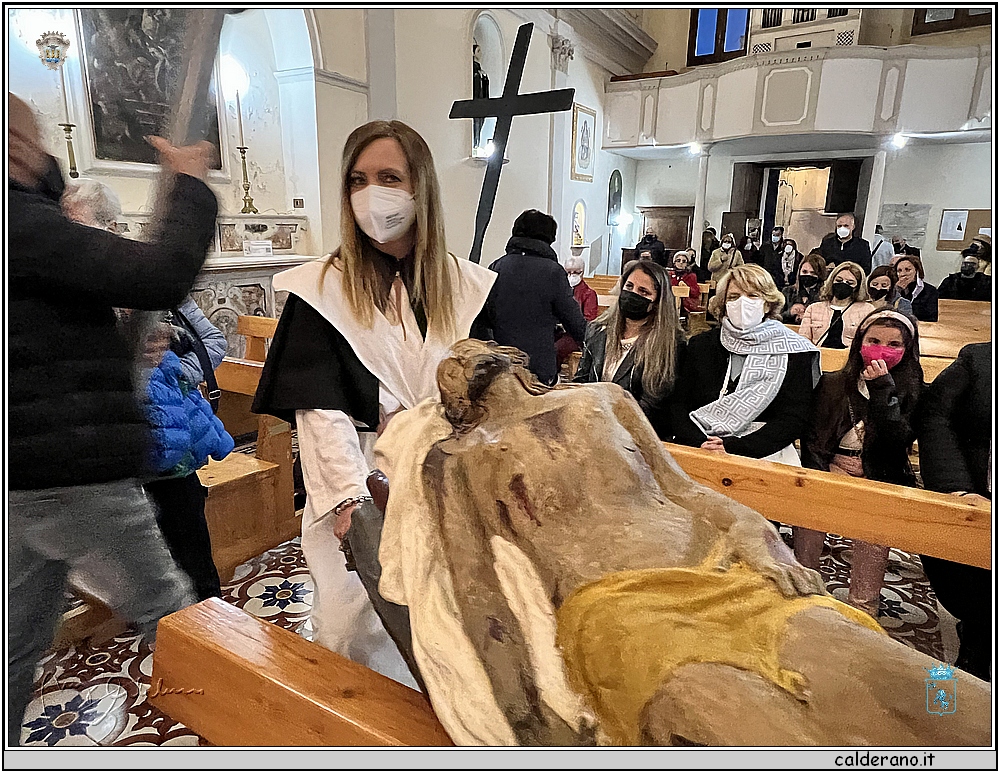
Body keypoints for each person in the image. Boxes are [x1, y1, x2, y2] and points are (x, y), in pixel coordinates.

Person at [367, 337, 989, 746]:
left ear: (511, 357)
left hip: (725, 574)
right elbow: (479, 592)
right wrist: (528, 718)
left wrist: (755, 535)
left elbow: (686, 491)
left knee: (923, 688)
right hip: (623, 616)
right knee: (763, 735)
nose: (456, 360)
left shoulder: (603, 400)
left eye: (468, 349)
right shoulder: (456, 458)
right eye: (446, 368)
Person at [251, 120, 496, 688]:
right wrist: (349, 502)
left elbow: (488, 396)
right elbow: (320, 413)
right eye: (357, 180)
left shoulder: (465, 286)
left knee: (445, 625)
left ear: (420, 188)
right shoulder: (322, 290)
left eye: (389, 178)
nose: (372, 194)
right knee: (354, 627)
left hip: (446, 482)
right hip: (363, 477)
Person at [8, 93, 216, 743]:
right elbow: (162, 275)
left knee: (16, 645)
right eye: (29, 138)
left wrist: (123, 349)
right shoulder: (20, 222)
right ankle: (232, 734)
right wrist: (189, 185)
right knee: (175, 618)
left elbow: (40, 340)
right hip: (73, 469)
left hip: (21, 475)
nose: (39, 151)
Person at [61, 178, 231, 601]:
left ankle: (208, 631)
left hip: (170, 455)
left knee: (193, 562)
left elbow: (214, 342)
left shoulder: (148, 280)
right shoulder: (63, 290)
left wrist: (176, 372)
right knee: (142, 581)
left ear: (112, 228)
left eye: (81, 227)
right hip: (109, 456)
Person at [796, 309, 923, 618]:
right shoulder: (833, 383)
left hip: (878, 472)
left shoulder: (913, 391)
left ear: (906, 349)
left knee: (873, 533)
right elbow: (813, 436)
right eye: (874, 341)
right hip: (833, 465)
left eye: (894, 344)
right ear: (860, 342)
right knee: (808, 519)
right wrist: (822, 475)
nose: (882, 349)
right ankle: (801, 592)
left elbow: (896, 442)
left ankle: (863, 608)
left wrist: (882, 389)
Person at [672, 264, 820, 465]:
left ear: (767, 304)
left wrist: (735, 447)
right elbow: (679, 404)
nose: (742, 303)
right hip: (699, 445)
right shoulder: (701, 345)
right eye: (733, 297)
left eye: (752, 296)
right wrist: (700, 443)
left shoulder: (793, 351)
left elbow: (793, 419)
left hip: (765, 452)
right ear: (723, 304)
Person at [917, 342, 991, 681]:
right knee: (971, 583)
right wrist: (956, 487)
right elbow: (935, 415)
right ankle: (977, 641)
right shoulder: (978, 360)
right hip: (972, 490)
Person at [573, 259, 683, 439]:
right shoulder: (597, 330)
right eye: (629, 287)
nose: (633, 294)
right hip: (591, 427)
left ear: (657, 302)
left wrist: (611, 428)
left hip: (637, 435)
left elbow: (653, 402)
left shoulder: (670, 343)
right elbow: (581, 380)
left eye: (643, 291)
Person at [479, 209, 587, 386]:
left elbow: (483, 319)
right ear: (549, 238)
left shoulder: (496, 267)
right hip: (537, 368)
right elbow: (573, 321)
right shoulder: (553, 272)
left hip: (500, 365)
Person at [798, 262, 875, 349]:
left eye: (850, 283)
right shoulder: (813, 308)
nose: (843, 284)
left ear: (857, 287)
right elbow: (804, 338)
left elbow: (869, 342)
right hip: (819, 353)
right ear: (832, 281)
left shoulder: (867, 310)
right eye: (839, 280)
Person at [555, 254, 599, 368]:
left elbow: (589, 320)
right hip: (559, 331)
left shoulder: (589, 294)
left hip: (576, 335)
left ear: (582, 272)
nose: (571, 275)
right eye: (568, 272)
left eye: (576, 272)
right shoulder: (561, 290)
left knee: (556, 350)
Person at [781, 252, 828, 324]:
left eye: (813, 273)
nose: (808, 275)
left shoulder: (825, 295)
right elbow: (776, 318)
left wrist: (809, 315)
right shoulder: (787, 291)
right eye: (804, 272)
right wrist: (790, 312)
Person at [894, 254, 939, 321]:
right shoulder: (893, 290)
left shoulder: (930, 290)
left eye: (907, 270)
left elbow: (931, 317)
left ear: (916, 271)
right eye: (899, 271)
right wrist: (897, 291)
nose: (902, 274)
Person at [668, 250, 701, 315]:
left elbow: (695, 293)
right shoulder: (669, 275)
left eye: (684, 261)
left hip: (685, 304)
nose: (681, 263)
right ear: (674, 263)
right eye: (678, 260)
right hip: (670, 301)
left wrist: (686, 288)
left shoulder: (691, 276)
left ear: (687, 264)